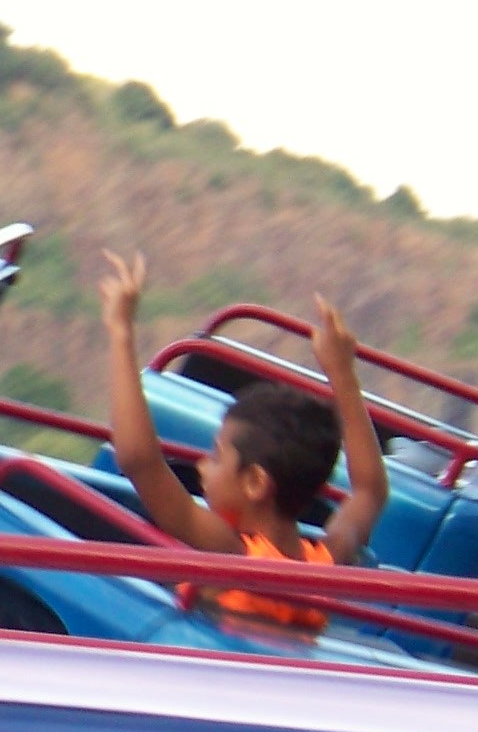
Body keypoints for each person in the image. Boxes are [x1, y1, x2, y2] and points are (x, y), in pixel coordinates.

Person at [97, 254, 390, 629]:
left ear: (254, 482)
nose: (202, 466)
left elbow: (140, 462)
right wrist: (343, 374)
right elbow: (369, 491)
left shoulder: (232, 554)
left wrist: (121, 332)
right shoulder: (325, 564)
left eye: (217, 456)